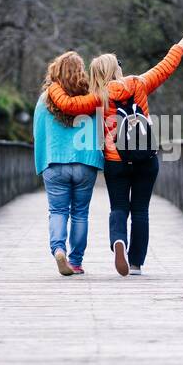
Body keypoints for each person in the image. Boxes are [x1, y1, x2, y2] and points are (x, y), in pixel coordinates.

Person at [46, 31, 183, 276]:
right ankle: (136, 263)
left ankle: (118, 242)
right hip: (145, 158)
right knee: (141, 211)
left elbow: (68, 105)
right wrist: (179, 47)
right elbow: (164, 69)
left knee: (119, 209)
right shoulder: (138, 83)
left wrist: (53, 88)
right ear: (117, 69)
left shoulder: (97, 97)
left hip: (117, 161)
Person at [33, 51, 103, 275]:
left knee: (57, 211)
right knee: (80, 212)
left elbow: (38, 132)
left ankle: (58, 250)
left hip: (55, 162)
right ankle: (76, 261)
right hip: (85, 163)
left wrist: (42, 160)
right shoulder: (92, 96)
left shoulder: (45, 99)